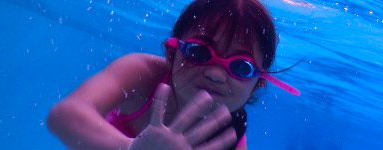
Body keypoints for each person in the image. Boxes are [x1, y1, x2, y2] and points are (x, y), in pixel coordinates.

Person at [46, 0, 300, 149]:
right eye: (200, 52)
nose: (216, 74)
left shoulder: (228, 137)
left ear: (256, 85)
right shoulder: (142, 73)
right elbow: (64, 114)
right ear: (171, 54)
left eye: (240, 67)